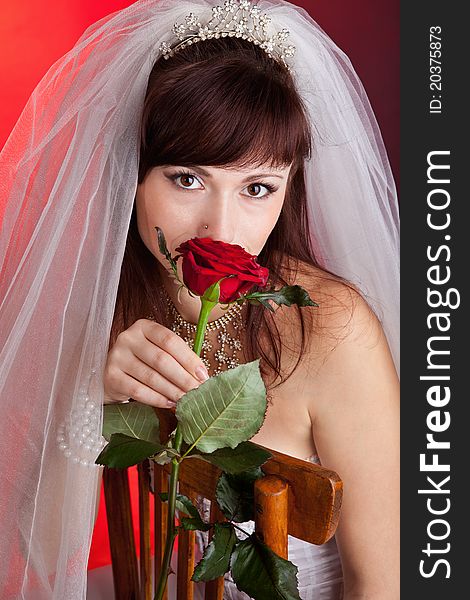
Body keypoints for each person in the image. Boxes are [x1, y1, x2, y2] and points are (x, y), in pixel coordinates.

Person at [0, 1, 399, 599]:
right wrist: (93, 396)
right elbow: (40, 544)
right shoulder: (107, 303)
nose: (221, 227)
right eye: (188, 179)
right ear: (132, 174)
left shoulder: (331, 331)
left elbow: (386, 583)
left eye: (257, 188)